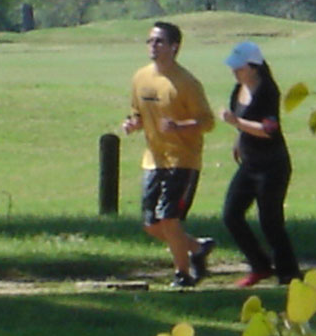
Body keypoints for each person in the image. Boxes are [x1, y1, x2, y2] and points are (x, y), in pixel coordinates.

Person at [121, 20, 216, 287]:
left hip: (183, 159)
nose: (153, 46)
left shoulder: (186, 83)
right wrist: (133, 123)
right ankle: (197, 248)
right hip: (154, 160)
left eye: (159, 41)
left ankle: (183, 274)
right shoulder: (140, 78)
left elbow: (207, 122)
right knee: (151, 224)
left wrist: (179, 126)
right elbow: (138, 113)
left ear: (174, 47)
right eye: (150, 41)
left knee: (169, 218)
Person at [220, 41, 301, 287]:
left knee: (270, 220)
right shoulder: (238, 89)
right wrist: (238, 141)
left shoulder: (267, 91)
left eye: (239, 68)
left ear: (253, 67)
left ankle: (288, 274)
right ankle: (260, 265)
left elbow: (269, 130)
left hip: (272, 165)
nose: (235, 72)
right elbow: (244, 122)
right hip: (250, 164)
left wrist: (236, 123)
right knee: (231, 214)